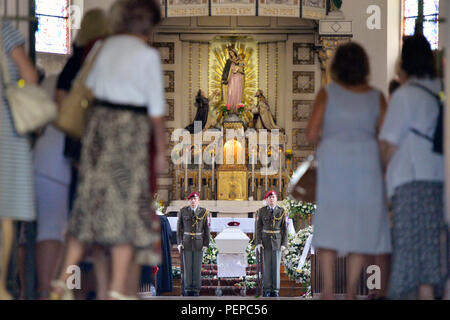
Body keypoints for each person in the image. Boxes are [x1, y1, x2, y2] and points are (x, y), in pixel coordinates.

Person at [50, 0, 167, 300]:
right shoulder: (146, 54)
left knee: (89, 200)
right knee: (126, 208)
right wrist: (162, 151)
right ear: (149, 26)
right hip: (129, 131)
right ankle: (116, 289)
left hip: (98, 129)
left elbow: (89, 86)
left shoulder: (104, 47)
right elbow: (155, 110)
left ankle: (62, 279)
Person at [306, 42, 392, 300]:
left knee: (330, 224)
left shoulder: (327, 93)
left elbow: (311, 132)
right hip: (366, 166)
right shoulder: (376, 97)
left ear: (336, 66)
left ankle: (330, 291)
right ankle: (353, 290)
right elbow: (385, 136)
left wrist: (328, 144)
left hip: (334, 166)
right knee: (360, 226)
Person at [379, 35, 447, 300]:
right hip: (438, 180)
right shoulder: (439, 89)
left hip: (410, 182)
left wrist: (382, 172)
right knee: (430, 252)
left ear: (406, 60)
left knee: (408, 252)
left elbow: (389, 145)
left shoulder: (405, 95)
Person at [54, 8, 111, 301]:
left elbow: (61, 103)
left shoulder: (76, 60)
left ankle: (64, 290)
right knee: (101, 235)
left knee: (76, 227)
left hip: (77, 152)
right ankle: (101, 293)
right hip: (103, 154)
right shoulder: (109, 60)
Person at [0, 18, 39, 300]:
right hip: (5, 128)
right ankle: (1, 286)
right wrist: (17, 84)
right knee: (5, 214)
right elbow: (31, 76)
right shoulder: (4, 31)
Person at [254, 191, 287, 297]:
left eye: (273, 197)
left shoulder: (282, 211)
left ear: (276, 199)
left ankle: (275, 289)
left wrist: (284, 243)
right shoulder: (261, 211)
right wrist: (258, 242)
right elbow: (258, 228)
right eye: (269, 197)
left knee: (276, 266)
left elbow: (284, 229)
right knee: (267, 266)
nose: (271, 199)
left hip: (277, 241)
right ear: (266, 200)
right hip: (265, 241)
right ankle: (267, 288)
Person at [176, 192, 210, 296]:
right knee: (187, 267)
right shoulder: (183, 211)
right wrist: (179, 243)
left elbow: (207, 229)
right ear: (188, 201)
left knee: (197, 267)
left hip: (199, 242)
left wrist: (205, 244)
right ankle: (187, 288)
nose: (193, 201)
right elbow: (179, 229)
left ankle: (195, 289)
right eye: (191, 199)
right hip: (186, 242)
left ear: (198, 200)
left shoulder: (204, 212)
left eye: (195, 199)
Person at [221, 46, 244, 112]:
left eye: (231, 52)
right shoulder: (229, 61)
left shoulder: (239, 60)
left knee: (237, 91)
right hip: (231, 78)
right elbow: (225, 70)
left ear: (234, 52)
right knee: (231, 91)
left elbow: (242, 71)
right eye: (229, 52)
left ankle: (237, 109)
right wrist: (224, 78)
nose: (230, 53)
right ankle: (230, 109)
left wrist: (238, 70)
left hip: (237, 77)